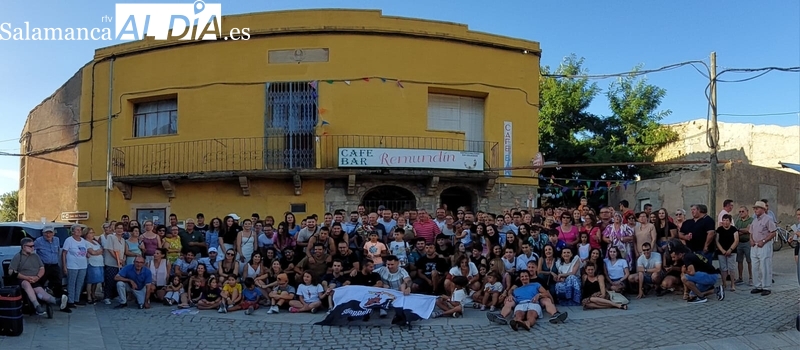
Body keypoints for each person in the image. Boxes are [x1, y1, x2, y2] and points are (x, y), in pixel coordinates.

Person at [9, 237, 70, 315]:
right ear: (24, 247)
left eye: (33, 246)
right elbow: (11, 271)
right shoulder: (18, 257)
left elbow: (42, 268)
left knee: (39, 291)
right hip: (22, 279)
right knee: (26, 284)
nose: (33, 248)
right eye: (30, 246)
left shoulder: (35, 256)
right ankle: (37, 305)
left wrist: (37, 277)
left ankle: (56, 301)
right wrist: (26, 277)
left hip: (34, 278)